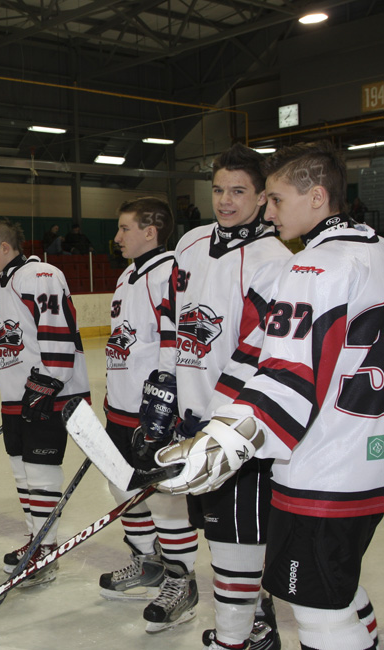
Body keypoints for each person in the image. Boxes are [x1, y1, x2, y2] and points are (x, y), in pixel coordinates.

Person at [156, 141, 383, 650]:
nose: (270, 211)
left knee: (319, 613)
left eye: (277, 199)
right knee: (337, 587)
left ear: (317, 197)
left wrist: (220, 444)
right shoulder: (375, 251)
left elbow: (286, 376)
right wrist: (215, 420)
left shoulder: (313, 267)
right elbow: (255, 353)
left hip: (322, 466)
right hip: (368, 456)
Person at [151, 143, 291, 648]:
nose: (225, 201)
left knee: (236, 536)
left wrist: (215, 420)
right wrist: (163, 387)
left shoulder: (274, 260)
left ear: (261, 197)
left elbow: (262, 354)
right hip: (191, 420)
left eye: (238, 191)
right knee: (215, 530)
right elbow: (171, 319)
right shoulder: (189, 243)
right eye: (218, 190)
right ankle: (253, 618)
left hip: (237, 426)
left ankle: (243, 632)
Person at [99, 198, 201, 633]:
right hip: (121, 409)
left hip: (153, 413)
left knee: (164, 499)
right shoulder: (127, 274)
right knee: (122, 488)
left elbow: (176, 342)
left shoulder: (170, 272)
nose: (117, 237)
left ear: (151, 231)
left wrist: (164, 405)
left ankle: (182, 581)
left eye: (125, 229)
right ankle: (147, 563)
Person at [0, 220, 90, 587]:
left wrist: (49, 380)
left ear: (4, 247)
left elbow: (57, 327)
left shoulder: (40, 275)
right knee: (22, 472)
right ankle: (35, 539)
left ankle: (45, 549)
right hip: (16, 395)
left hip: (49, 391)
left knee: (40, 472)